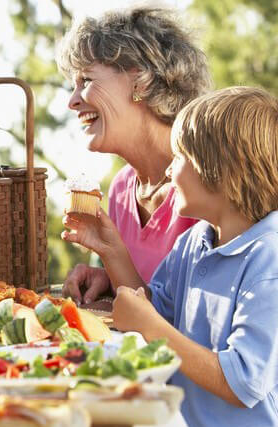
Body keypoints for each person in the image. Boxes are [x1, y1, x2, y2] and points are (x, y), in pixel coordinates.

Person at [63, 86, 278, 427]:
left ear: (222, 171)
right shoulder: (196, 241)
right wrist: (112, 251)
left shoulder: (270, 263)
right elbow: (154, 310)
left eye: (180, 157)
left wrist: (150, 325)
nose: (168, 168)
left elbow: (240, 382)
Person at [55, 7, 210, 303]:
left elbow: (198, 322)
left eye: (86, 81)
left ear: (141, 80)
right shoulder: (123, 187)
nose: (72, 101)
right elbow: (145, 294)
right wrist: (109, 278)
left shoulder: (207, 183)